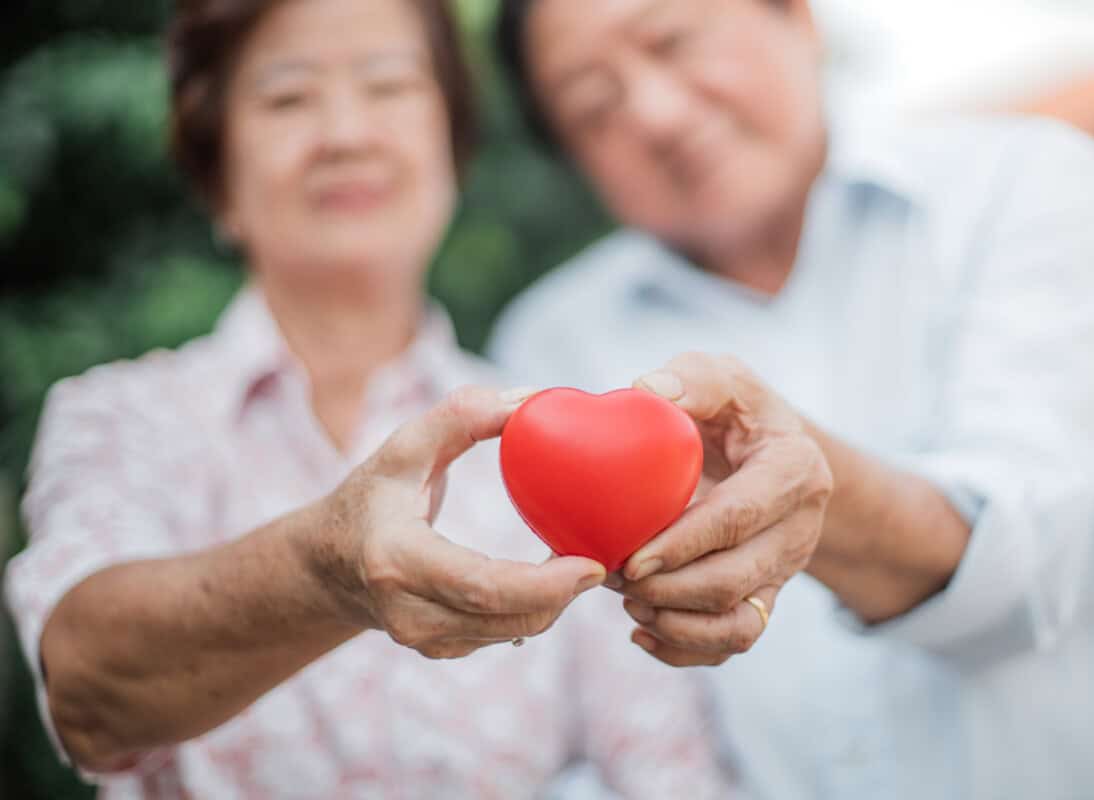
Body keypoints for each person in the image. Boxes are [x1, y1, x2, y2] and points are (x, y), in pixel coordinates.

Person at [1, 1, 741, 797]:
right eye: (288, 98)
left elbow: (667, 770)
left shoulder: (558, 447)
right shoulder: (120, 419)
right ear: (218, 181)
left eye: (388, 86)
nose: (346, 133)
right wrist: (323, 574)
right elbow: (88, 695)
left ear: (452, 151)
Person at [487, 0, 1094, 797]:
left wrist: (815, 494)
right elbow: (598, 702)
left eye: (673, 41)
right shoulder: (550, 345)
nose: (655, 113)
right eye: (594, 104)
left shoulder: (1025, 184)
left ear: (797, 18)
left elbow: (1054, 541)